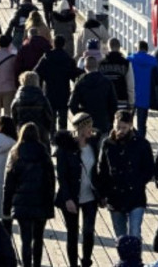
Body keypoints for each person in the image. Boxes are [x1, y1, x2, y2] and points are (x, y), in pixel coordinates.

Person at [98, 110, 156, 241]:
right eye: (118, 127)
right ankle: (124, 260)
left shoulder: (141, 144)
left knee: (135, 233)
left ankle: (136, 260)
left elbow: (149, 168)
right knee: (121, 237)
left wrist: (139, 181)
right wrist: (102, 194)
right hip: (115, 197)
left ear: (130, 125)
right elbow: (102, 170)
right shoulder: (107, 144)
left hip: (135, 195)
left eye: (124, 127)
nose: (120, 131)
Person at [3, 122, 55, 267]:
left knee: (25, 239)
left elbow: (9, 183)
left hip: (21, 202)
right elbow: (51, 179)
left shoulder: (15, 152)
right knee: (38, 238)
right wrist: (50, 200)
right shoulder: (43, 152)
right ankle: (37, 264)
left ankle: (26, 264)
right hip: (41, 201)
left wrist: (6, 207)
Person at [55, 113, 101, 267]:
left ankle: (86, 261)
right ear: (81, 128)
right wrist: (67, 198)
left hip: (90, 195)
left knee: (88, 231)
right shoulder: (65, 148)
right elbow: (62, 176)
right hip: (71, 196)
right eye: (88, 126)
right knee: (72, 233)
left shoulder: (94, 144)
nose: (91, 129)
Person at [34, 34, 81, 133]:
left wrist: (41, 85)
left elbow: (37, 73)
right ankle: (62, 134)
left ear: (53, 44)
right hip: (64, 91)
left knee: (51, 115)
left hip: (49, 90)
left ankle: (52, 136)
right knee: (63, 116)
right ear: (64, 45)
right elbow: (74, 75)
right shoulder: (68, 59)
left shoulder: (46, 58)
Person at [69, 55, 119, 137]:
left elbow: (72, 105)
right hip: (104, 122)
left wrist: (81, 116)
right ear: (97, 66)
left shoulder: (80, 83)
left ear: (85, 67)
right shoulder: (107, 82)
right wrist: (110, 119)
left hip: (86, 124)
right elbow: (113, 104)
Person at [10, 72, 55, 145]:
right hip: (40, 131)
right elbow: (49, 116)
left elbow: (13, 116)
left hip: (22, 131)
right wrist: (48, 129)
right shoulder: (42, 98)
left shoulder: (17, 99)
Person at [129, 41, 158, 136]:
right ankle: (141, 141)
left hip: (131, 94)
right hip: (146, 96)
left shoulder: (130, 59)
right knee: (142, 124)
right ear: (147, 49)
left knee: (127, 120)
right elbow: (157, 81)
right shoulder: (153, 61)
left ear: (137, 49)